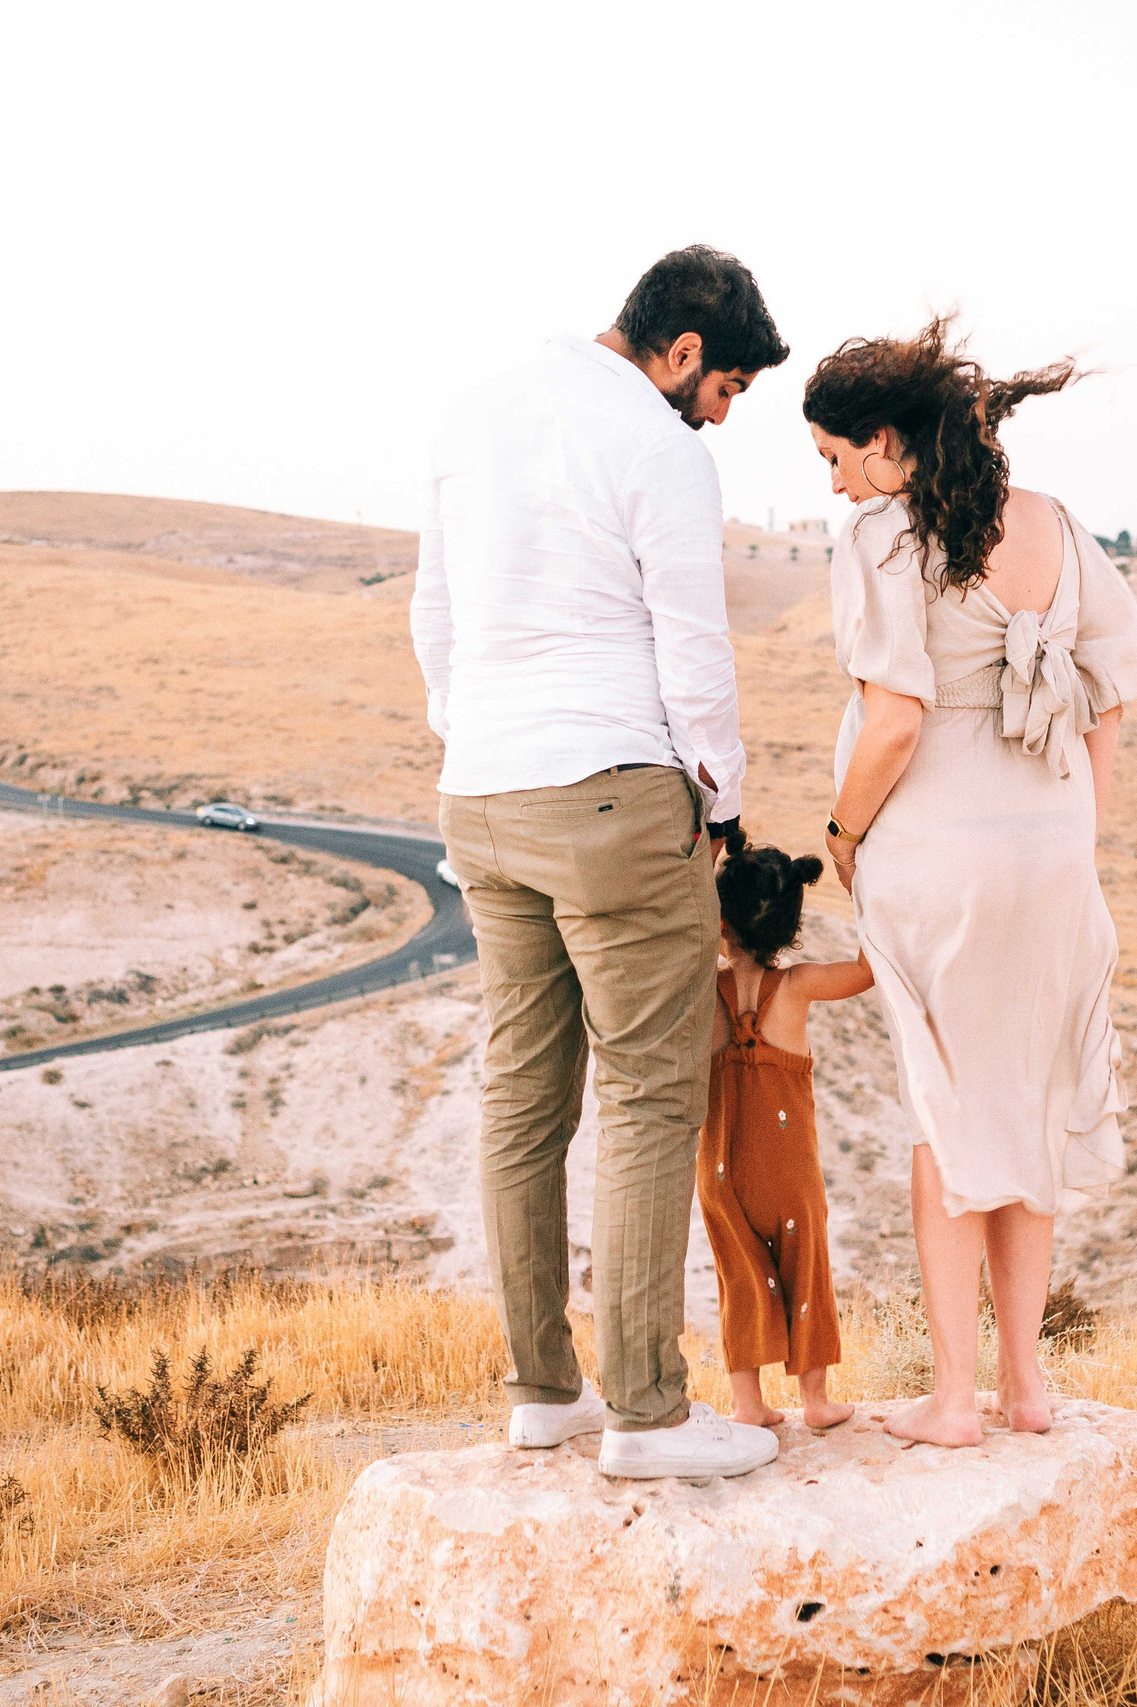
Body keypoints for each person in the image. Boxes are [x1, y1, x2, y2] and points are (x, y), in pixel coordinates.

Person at [412, 246, 791, 1480]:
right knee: (645, 1091)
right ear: (682, 353)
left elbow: (436, 617)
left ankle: (541, 1393)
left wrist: (473, 736)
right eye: (725, 385)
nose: (721, 414)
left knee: (521, 1093)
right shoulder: (658, 447)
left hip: (483, 790)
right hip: (615, 793)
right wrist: (720, 804)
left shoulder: (478, 413)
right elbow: (693, 645)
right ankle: (646, 1414)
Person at [802, 316, 1137, 1447]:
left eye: (837, 457)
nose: (838, 483)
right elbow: (1108, 692)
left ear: (887, 441)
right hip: (1051, 848)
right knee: (1031, 1109)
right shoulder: (1050, 524)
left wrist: (842, 831)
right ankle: (1027, 1389)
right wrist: (1076, 833)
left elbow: (895, 721)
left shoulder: (882, 542)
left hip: (937, 854)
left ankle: (954, 1402)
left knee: (948, 1118)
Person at [698, 831, 871, 1431]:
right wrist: (861, 884)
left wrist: (711, 861)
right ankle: (816, 1402)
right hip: (789, 1170)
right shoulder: (797, 988)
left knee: (737, 1277)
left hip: (720, 1168)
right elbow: (868, 970)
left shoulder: (703, 988)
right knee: (807, 1266)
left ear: (720, 920)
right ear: (791, 928)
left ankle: (749, 1405)